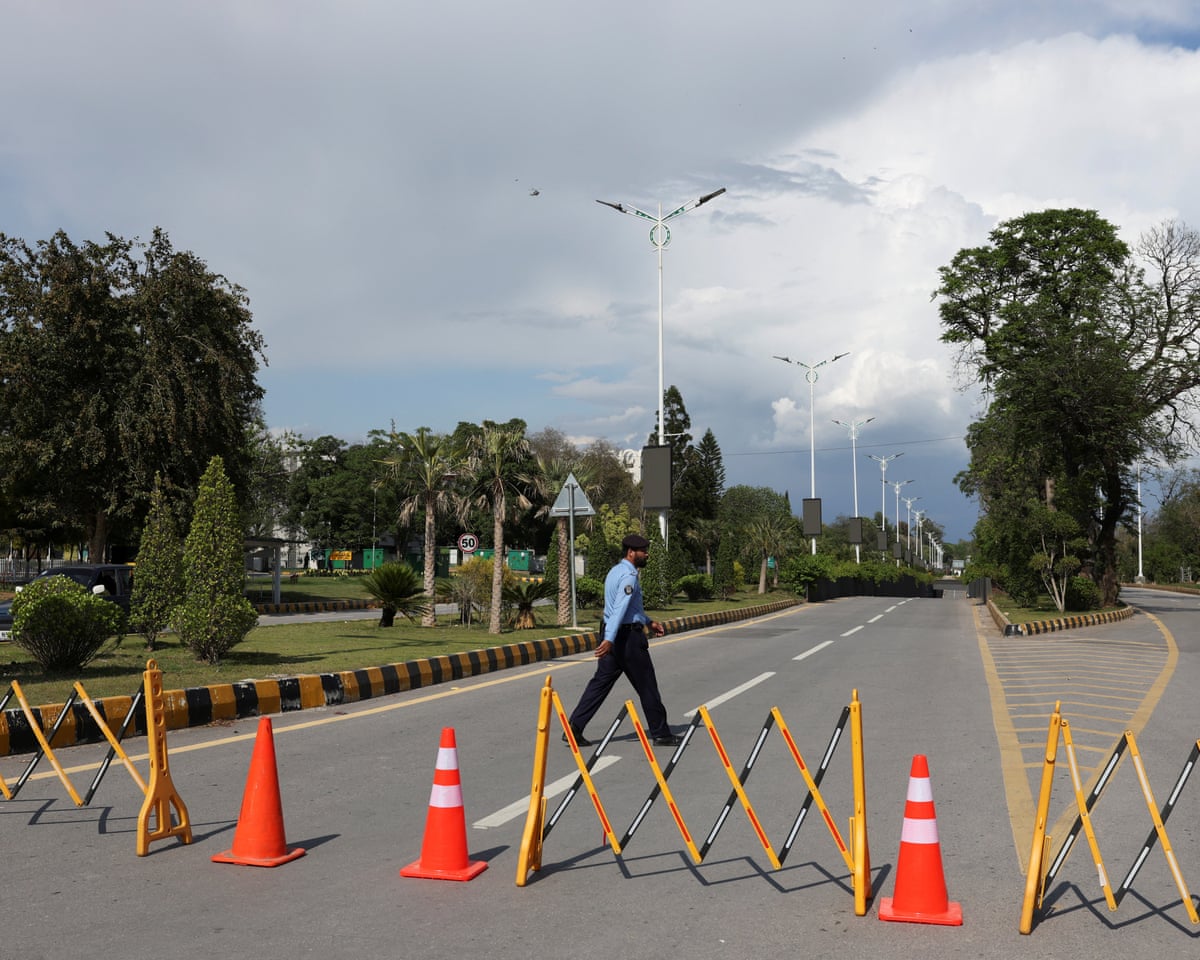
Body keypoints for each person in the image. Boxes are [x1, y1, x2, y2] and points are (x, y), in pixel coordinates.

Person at [563, 533, 682, 748]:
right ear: (631, 552)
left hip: (616, 632)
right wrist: (610, 639)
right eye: (643, 551)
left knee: (600, 683)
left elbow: (628, 608)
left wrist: (648, 621)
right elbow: (619, 609)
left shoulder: (615, 571)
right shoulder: (628, 577)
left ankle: (575, 727)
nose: (646, 555)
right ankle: (661, 733)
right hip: (625, 638)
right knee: (647, 685)